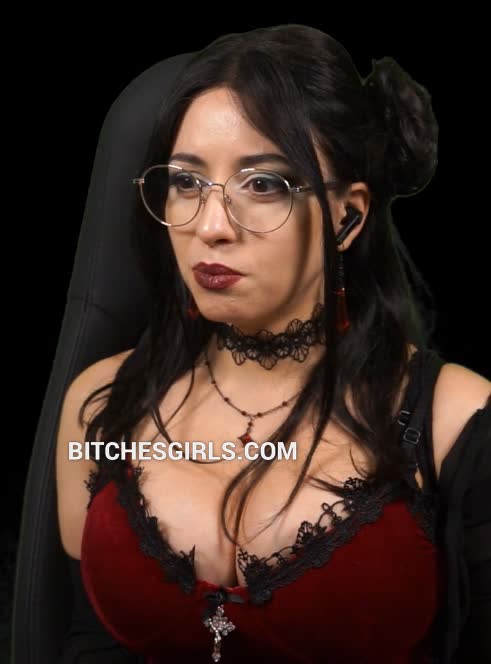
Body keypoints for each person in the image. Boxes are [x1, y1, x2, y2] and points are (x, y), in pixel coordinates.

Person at [55, 24, 490, 663]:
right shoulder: (100, 404)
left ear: (347, 215)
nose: (211, 226)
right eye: (186, 182)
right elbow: (83, 642)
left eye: (264, 184)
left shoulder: (453, 419)